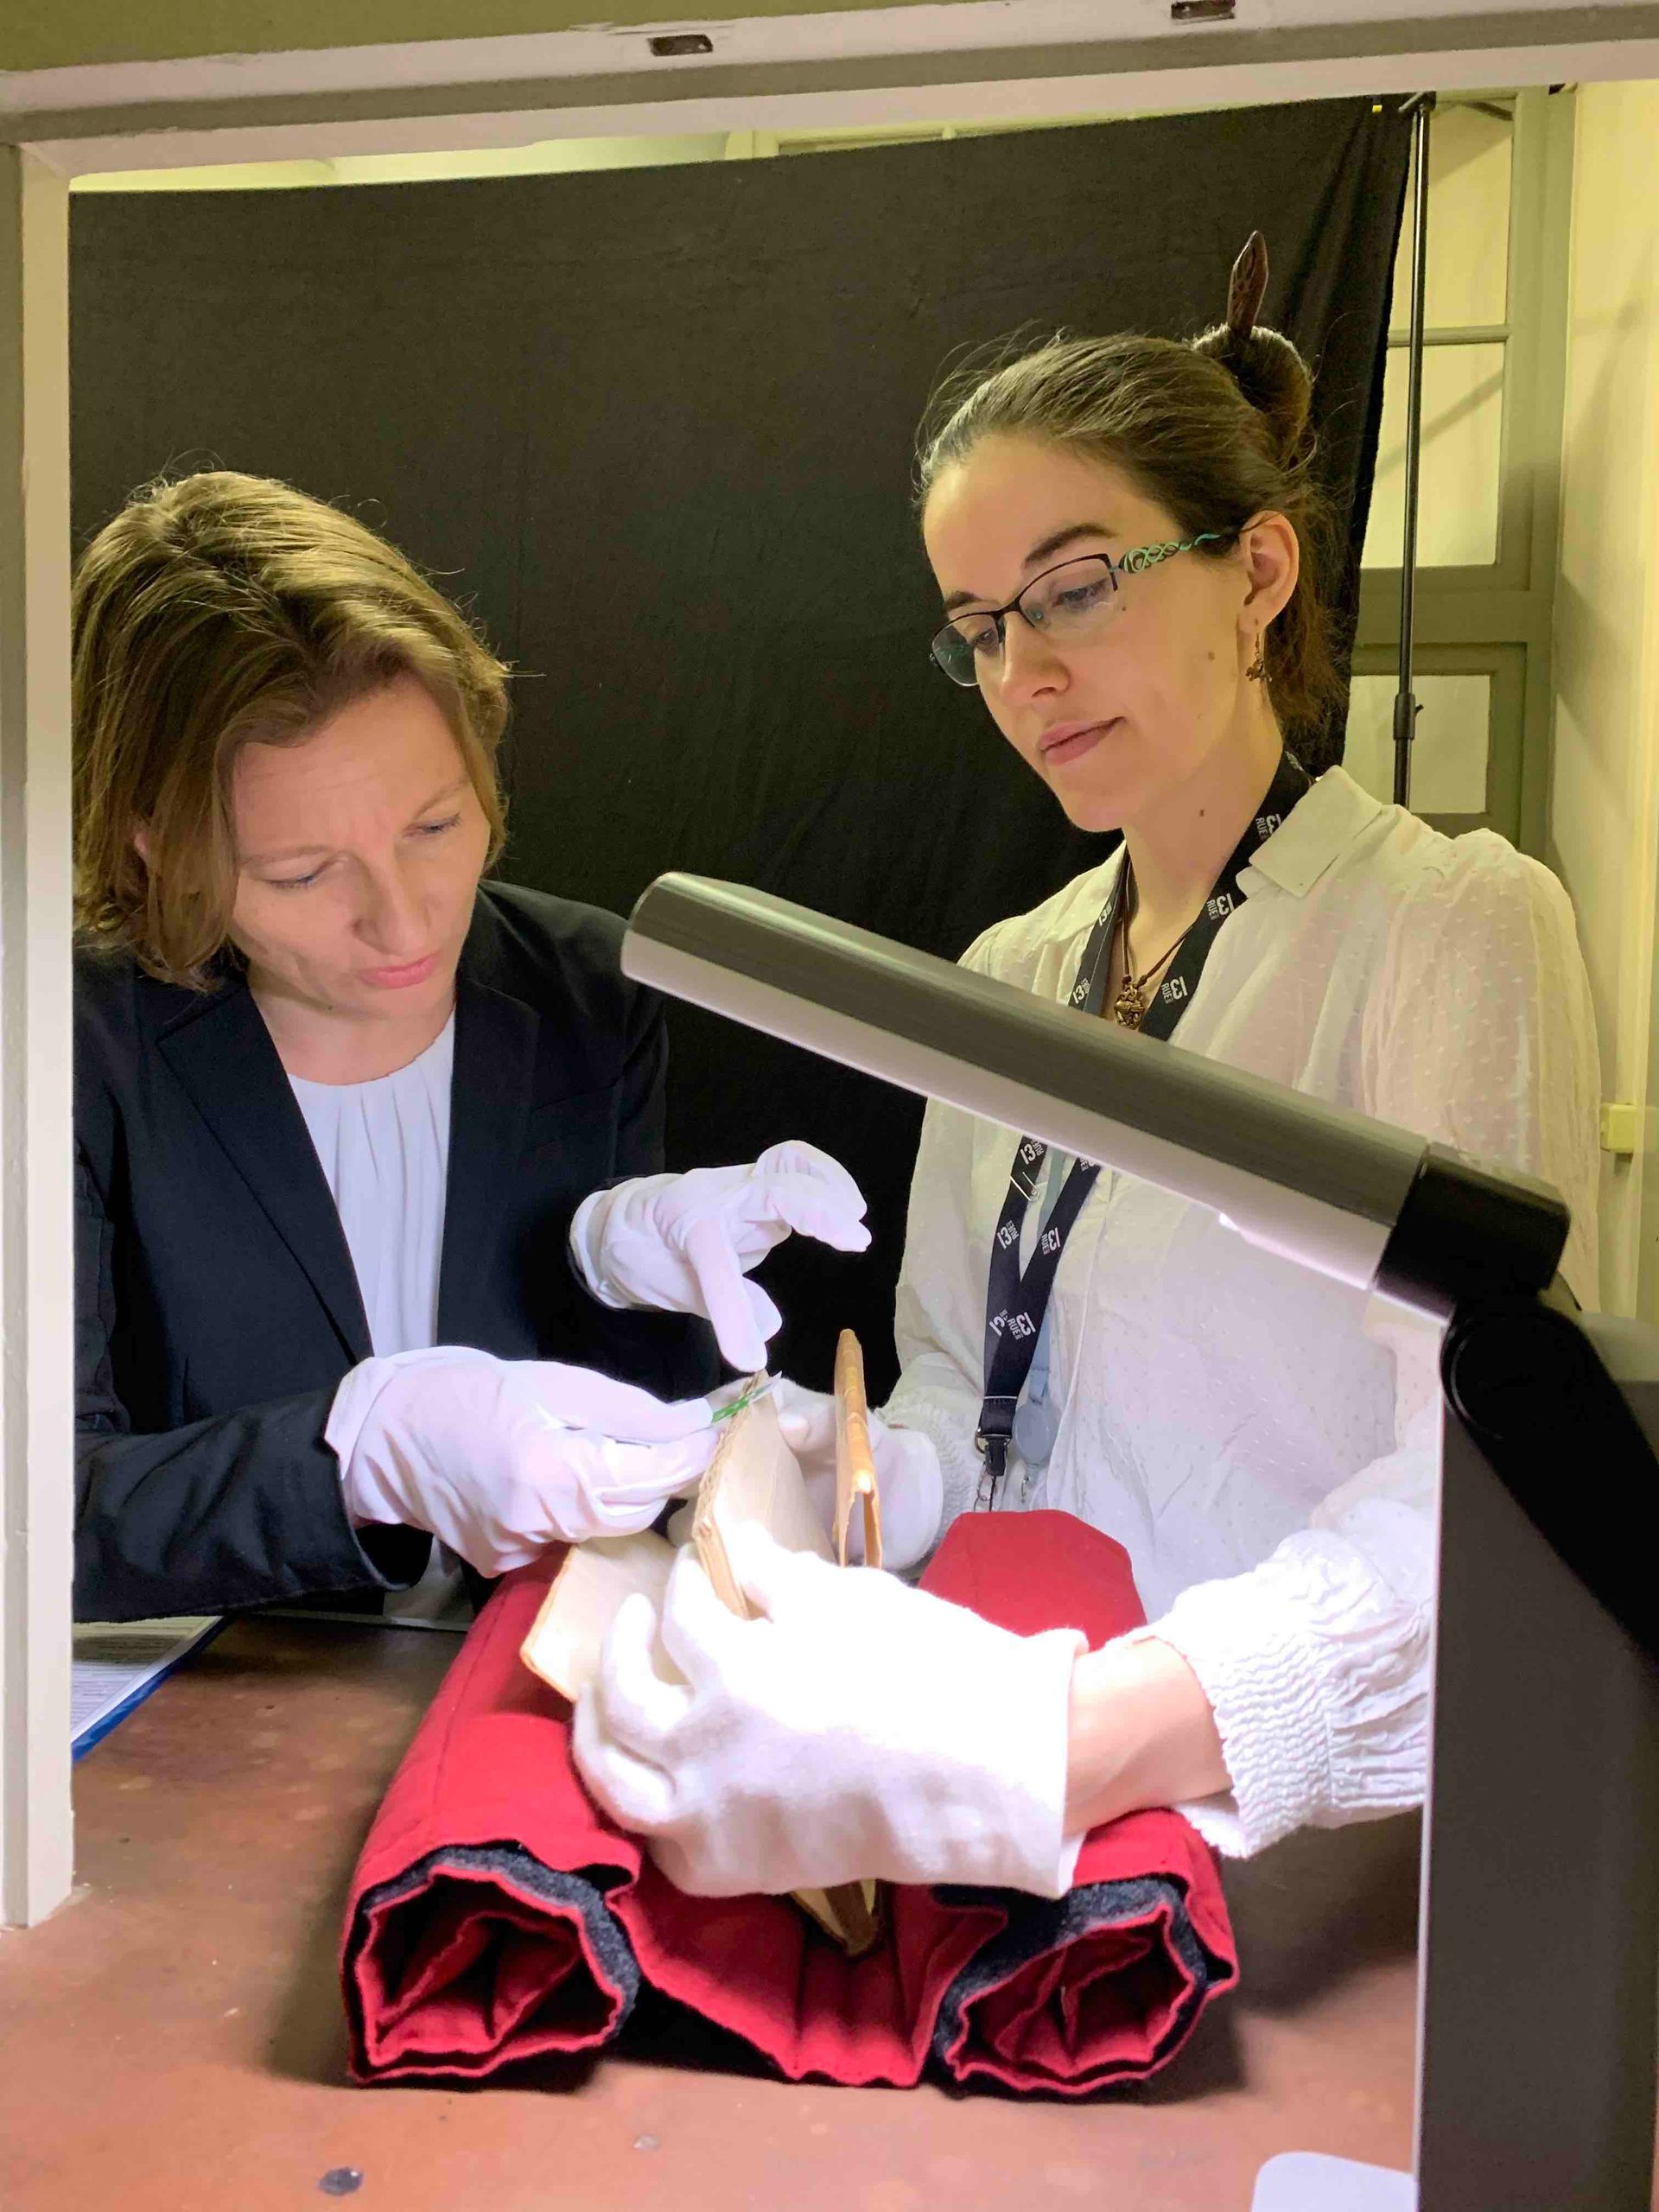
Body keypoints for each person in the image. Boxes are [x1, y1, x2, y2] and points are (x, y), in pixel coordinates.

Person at [572, 238, 1601, 1902]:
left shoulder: (1447, 928)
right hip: (992, 1786)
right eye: (979, 625)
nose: (1022, 673)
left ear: (1257, 571)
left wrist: (1068, 1740)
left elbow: (1477, 1508)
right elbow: (953, 1410)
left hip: (1268, 1846)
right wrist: (758, 1473)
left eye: (1077, 587)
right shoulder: (1012, 979)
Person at [73, 471, 869, 1624]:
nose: (406, 922)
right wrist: (354, 1461)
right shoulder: (71, 1041)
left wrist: (631, 1287)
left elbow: (622, 1450)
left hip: (525, 1696)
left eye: (436, 825)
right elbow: (41, 1517)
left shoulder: (593, 992)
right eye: (303, 873)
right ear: (156, 849)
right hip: (214, 1730)